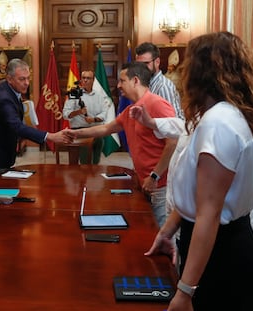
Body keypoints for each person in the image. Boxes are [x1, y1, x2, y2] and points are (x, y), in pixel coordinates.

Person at [143, 32, 253, 311]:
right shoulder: (215, 116)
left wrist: (186, 290)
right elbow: (198, 193)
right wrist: (167, 231)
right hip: (212, 251)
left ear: (201, 73)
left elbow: (209, 214)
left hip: (224, 261)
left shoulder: (219, 123)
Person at [66, 62, 177, 227]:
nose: (118, 85)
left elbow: (173, 141)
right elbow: (105, 128)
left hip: (160, 186)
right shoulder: (132, 109)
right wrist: (75, 133)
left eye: (122, 81)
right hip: (145, 182)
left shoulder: (157, 104)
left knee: (163, 236)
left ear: (136, 81)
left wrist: (155, 176)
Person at [0, 58, 72, 190]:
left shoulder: (7, 88)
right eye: (22, 79)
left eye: (28, 78)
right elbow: (16, 126)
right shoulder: (4, 98)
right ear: (10, 78)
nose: (27, 83)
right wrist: (50, 136)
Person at [62, 70, 109, 164]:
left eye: (88, 78)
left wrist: (94, 119)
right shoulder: (74, 94)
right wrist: (79, 112)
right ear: (81, 80)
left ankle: (95, 167)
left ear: (93, 80)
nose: (86, 80)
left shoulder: (99, 95)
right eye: (83, 78)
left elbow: (104, 113)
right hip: (80, 130)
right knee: (85, 150)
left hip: (95, 128)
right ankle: (85, 169)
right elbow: (65, 114)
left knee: (99, 142)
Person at [135, 42, 184, 120]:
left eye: (146, 63)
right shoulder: (147, 83)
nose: (142, 67)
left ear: (157, 62)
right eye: (139, 64)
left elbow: (171, 122)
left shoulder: (163, 86)